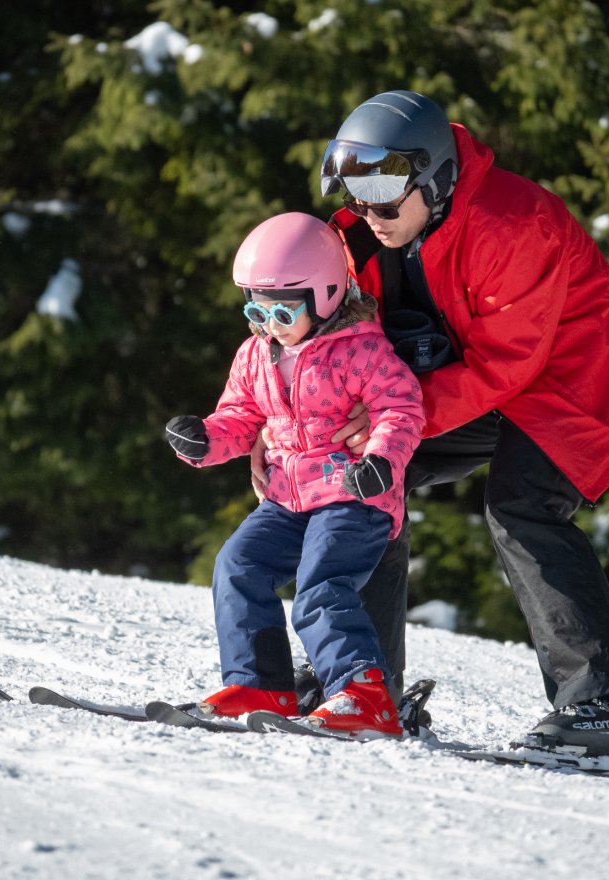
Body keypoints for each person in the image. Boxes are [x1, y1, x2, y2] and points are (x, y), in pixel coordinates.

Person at [282, 89, 609, 755]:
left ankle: (607, 703)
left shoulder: (515, 226)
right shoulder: (360, 240)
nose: (372, 218)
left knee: (522, 507)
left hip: (575, 383)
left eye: (388, 204)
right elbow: (317, 341)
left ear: (437, 181)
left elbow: (506, 366)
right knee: (362, 477)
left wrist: (392, 415)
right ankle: (360, 681)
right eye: (361, 203)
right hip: (463, 381)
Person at [164, 212, 424, 737]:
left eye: (282, 311)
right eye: (254, 311)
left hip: (353, 499)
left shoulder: (361, 350)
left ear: (327, 294)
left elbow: (402, 407)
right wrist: (207, 440)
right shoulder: (256, 356)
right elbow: (240, 417)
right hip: (286, 499)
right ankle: (262, 685)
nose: (268, 326)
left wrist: (381, 461)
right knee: (238, 565)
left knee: (320, 584)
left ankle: (362, 694)